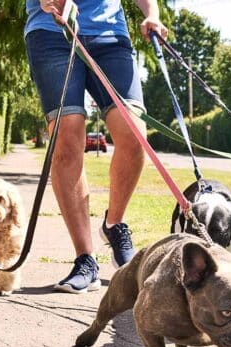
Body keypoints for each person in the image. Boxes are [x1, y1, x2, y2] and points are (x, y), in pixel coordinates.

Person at [24, 0, 167, 294]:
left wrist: (152, 14)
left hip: (110, 34)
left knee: (134, 133)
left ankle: (114, 224)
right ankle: (85, 259)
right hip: (51, 32)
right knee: (67, 135)